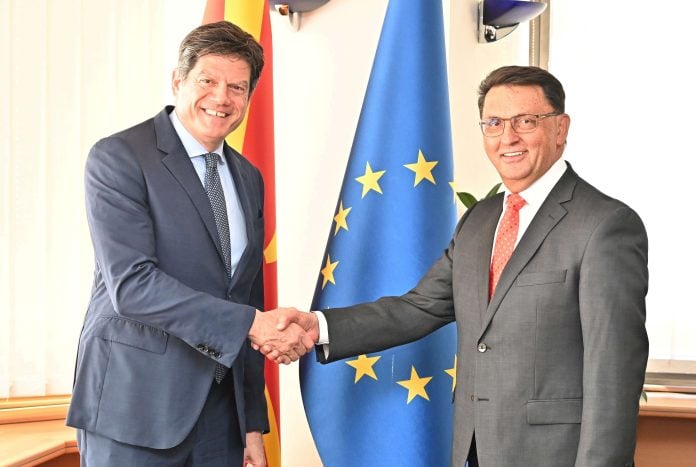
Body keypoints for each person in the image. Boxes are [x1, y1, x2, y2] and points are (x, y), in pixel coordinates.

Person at [269, 65, 649, 466]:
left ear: (560, 128)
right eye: (494, 123)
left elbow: (614, 373)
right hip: (474, 450)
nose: (508, 137)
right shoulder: (479, 220)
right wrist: (318, 326)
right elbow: (418, 307)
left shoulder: (605, 226)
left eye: (525, 121)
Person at [67, 21, 311, 466]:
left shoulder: (248, 177)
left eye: (237, 87)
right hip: (134, 409)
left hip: (221, 420)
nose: (222, 98)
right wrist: (251, 324)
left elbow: (246, 296)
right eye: (207, 81)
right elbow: (133, 286)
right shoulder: (119, 157)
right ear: (178, 81)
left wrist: (250, 422)